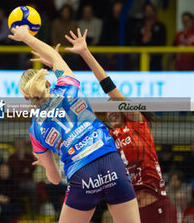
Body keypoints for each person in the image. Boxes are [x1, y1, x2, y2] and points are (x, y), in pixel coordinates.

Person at [8, 25, 140, 223]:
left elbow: (53, 179)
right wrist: (26, 37)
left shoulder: (35, 130)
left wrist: (45, 162)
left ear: (26, 97)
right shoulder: (69, 86)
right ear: (47, 81)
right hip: (110, 160)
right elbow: (54, 57)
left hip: (82, 174)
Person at [64, 27, 177, 223]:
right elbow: (75, 106)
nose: (112, 110)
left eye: (116, 106)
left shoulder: (137, 123)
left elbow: (110, 87)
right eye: (108, 110)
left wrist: (85, 53)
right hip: (129, 212)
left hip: (157, 206)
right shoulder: (104, 136)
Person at [7, 137, 38, 216]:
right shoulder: (11, 158)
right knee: (12, 190)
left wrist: (23, 168)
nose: (20, 146)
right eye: (18, 144)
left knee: (33, 187)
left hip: (28, 181)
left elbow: (32, 167)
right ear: (15, 146)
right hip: (16, 183)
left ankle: (33, 212)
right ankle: (18, 212)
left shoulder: (29, 156)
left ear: (24, 145)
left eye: (21, 144)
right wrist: (24, 169)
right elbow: (15, 170)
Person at [133, 3, 166, 71]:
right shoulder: (139, 25)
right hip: (140, 58)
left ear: (154, 11)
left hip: (155, 60)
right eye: (147, 11)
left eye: (150, 11)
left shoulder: (161, 26)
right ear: (144, 12)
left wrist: (153, 54)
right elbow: (136, 41)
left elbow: (162, 43)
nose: (149, 13)